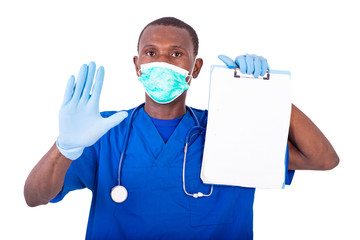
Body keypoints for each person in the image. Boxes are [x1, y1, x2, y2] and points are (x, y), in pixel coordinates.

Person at [24, 17, 339, 239]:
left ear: (195, 67)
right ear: (137, 65)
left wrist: (266, 92)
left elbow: (322, 159)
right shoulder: (101, 130)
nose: (162, 62)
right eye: (151, 53)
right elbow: (34, 196)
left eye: (176, 54)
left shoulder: (230, 129)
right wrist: (64, 147)